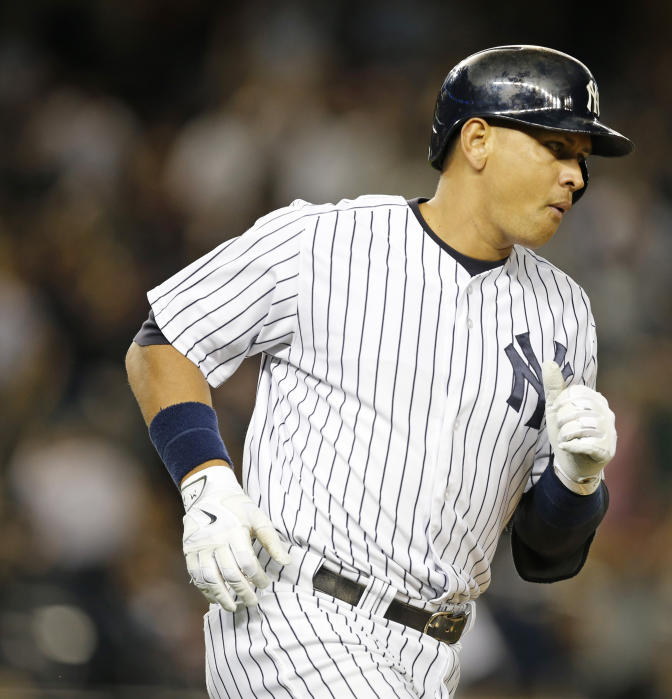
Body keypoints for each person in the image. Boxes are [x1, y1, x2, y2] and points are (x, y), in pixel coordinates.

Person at [125, 44, 633, 698]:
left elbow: (544, 554)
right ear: (477, 140)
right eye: (557, 149)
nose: (576, 178)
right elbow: (164, 341)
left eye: (581, 161)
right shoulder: (326, 241)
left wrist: (579, 478)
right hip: (298, 614)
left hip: (435, 653)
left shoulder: (567, 313)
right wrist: (206, 483)